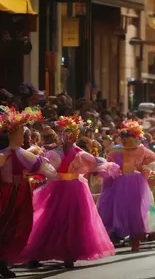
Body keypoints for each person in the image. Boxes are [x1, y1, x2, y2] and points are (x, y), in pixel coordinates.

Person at [21, 115, 115, 269]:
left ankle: (69, 254)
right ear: (61, 134)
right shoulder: (53, 151)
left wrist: (106, 166)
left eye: (71, 134)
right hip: (57, 187)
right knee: (49, 218)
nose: (68, 137)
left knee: (73, 221)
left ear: (76, 136)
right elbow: (44, 165)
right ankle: (35, 253)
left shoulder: (80, 152)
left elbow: (94, 163)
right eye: (65, 133)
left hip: (75, 188)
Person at [0, 107, 56, 278]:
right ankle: (3, 263)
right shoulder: (15, 155)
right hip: (11, 193)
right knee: (9, 226)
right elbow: (49, 171)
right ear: (13, 135)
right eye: (19, 135)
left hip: (15, 192)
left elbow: (47, 170)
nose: (21, 138)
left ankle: (3, 263)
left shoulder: (20, 154)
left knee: (13, 227)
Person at [97, 120, 155, 251]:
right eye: (124, 138)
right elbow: (110, 166)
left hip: (137, 184)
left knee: (136, 211)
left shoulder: (142, 149)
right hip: (121, 184)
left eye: (129, 138)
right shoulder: (115, 151)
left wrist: (144, 169)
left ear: (136, 137)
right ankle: (120, 238)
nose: (125, 141)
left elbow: (154, 162)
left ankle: (135, 241)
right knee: (122, 210)